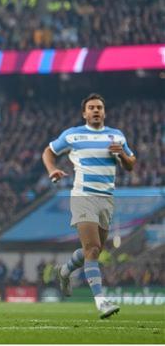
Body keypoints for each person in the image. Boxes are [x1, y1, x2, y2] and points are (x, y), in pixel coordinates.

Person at [42, 93, 136, 319]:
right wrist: (51, 170)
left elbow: (131, 164)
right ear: (84, 113)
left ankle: (64, 271)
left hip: (106, 198)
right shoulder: (73, 135)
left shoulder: (116, 135)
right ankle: (101, 302)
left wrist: (121, 153)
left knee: (93, 251)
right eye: (92, 107)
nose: (96, 111)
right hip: (83, 196)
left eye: (99, 108)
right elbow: (48, 152)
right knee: (92, 248)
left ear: (104, 112)